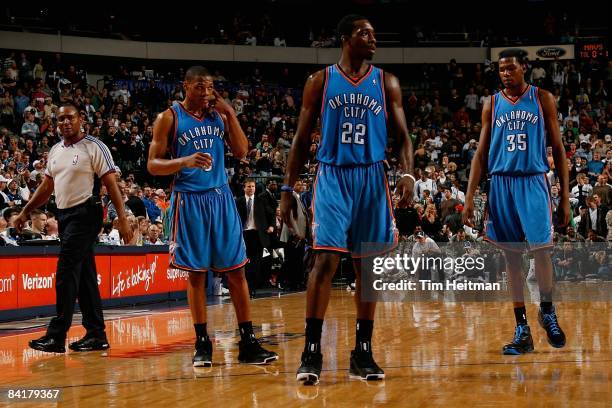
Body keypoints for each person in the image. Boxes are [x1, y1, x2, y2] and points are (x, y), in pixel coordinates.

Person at [280, 15, 414, 383]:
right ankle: (311, 351)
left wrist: (407, 173)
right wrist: (287, 189)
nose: (373, 38)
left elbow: (403, 136)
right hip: (333, 175)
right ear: (344, 39)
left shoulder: (387, 82)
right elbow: (300, 138)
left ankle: (362, 352)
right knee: (324, 261)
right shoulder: (320, 81)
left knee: (367, 268)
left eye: (374, 33)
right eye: (364, 33)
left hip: (372, 176)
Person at [147, 66, 277, 367]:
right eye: (200, 87)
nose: (206, 93)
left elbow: (242, 151)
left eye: (210, 87)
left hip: (220, 199)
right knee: (196, 274)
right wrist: (185, 161)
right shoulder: (169, 117)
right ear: (186, 87)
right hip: (189, 200)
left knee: (236, 272)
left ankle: (248, 342)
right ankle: (202, 343)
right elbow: (153, 165)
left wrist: (230, 113)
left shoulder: (218, 115)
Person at [463, 49, 569, 355]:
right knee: (511, 259)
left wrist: (564, 196)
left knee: (542, 250)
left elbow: (559, 149)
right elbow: (481, 154)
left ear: (525, 68)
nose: (505, 73)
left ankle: (547, 310)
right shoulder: (491, 103)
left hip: (534, 180)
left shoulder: (542, 98)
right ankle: (522, 328)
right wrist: (470, 197)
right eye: (501, 69)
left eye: (511, 68)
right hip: (501, 183)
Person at [16, 103, 133, 353]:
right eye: (60, 119)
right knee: (85, 277)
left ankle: (57, 335)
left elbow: (111, 185)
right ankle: (96, 334)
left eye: (70, 118)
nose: (65, 123)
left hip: (86, 213)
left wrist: (122, 219)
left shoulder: (95, 146)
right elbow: (46, 187)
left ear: (81, 119)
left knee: (66, 271)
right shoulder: (56, 150)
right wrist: (26, 211)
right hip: (65, 216)